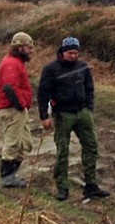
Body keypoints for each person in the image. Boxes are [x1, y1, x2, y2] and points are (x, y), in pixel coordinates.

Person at [37, 37, 110, 201]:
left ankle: (91, 185)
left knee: (91, 146)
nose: (73, 56)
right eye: (70, 52)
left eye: (76, 53)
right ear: (62, 52)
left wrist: (89, 108)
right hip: (63, 114)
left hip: (83, 112)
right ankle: (62, 187)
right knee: (63, 151)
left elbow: (89, 88)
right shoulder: (50, 69)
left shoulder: (83, 67)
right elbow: (43, 93)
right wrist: (44, 116)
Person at [0, 32, 35, 188]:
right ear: (19, 48)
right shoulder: (11, 63)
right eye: (28, 47)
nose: (31, 51)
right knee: (12, 143)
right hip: (12, 109)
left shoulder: (16, 62)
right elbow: (9, 87)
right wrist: (20, 105)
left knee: (25, 143)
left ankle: (12, 176)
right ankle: (7, 177)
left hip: (17, 109)